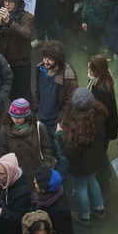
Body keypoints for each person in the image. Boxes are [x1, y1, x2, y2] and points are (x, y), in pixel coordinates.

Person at [58, 87, 108, 227]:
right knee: (92, 181)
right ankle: (99, 209)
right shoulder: (99, 113)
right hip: (95, 159)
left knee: (80, 187)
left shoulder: (78, 125)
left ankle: (84, 217)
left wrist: (59, 134)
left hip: (80, 164)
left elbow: (72, 151)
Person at [32, 40, 78, 175]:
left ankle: (61, 183)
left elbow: (70, 104)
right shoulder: (40, 69)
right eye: (44, 57)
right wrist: (35, 109)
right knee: (48, 149)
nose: (46, 61)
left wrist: (60, 122)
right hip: (43, 118)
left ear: (58, 59)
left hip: (57, 123)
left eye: (50, 59)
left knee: (62, 155)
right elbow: (37, 89)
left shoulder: (68, 77)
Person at [0, 98, 54, 182]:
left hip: (37, 175)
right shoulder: (5, 130)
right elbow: (2, 154)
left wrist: (45, 168)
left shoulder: (38, 127)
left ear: (26, 117)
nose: (15, 120)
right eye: (12, 116)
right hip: (17, 176)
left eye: (18, 118)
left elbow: (46, 149)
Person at [87, 55, 118, 194]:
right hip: (105, 130)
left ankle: (104, 182)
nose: (88, 71)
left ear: (98, 71)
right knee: (102, 153)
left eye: (91, 69)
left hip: (102, 131)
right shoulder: (103, 80)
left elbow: (102, 116)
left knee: (100, 154)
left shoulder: (102, 90)